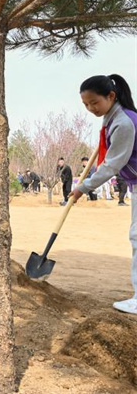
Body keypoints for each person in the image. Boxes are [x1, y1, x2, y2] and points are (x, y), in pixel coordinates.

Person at [70, 74, 137, 315]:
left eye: (94, 102)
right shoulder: (114, 119)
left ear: (111, 96)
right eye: (86, 104)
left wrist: (83, 187)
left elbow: (111, 166)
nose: (90, 109)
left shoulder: (123, 123)